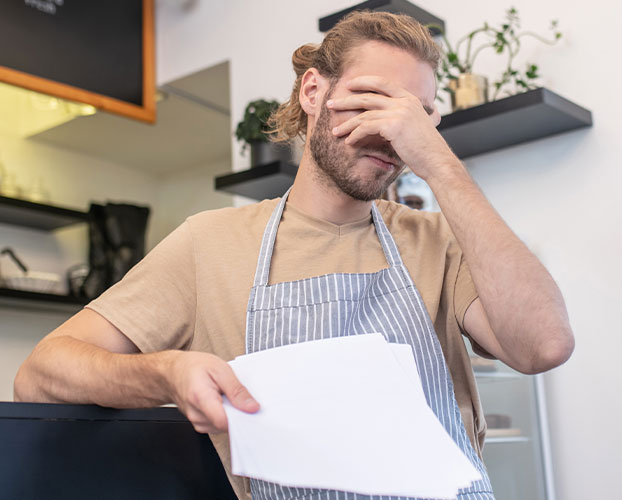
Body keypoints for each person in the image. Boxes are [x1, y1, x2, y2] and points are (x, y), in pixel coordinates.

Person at [14, 10, 574, 500]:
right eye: (374, 101)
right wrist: (167, 373)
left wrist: (442, 164)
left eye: (417, 117)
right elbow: (42, 374)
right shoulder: (208, 243)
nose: (392, 134)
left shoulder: (439, 241)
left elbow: (543, 345)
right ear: (313, 92)